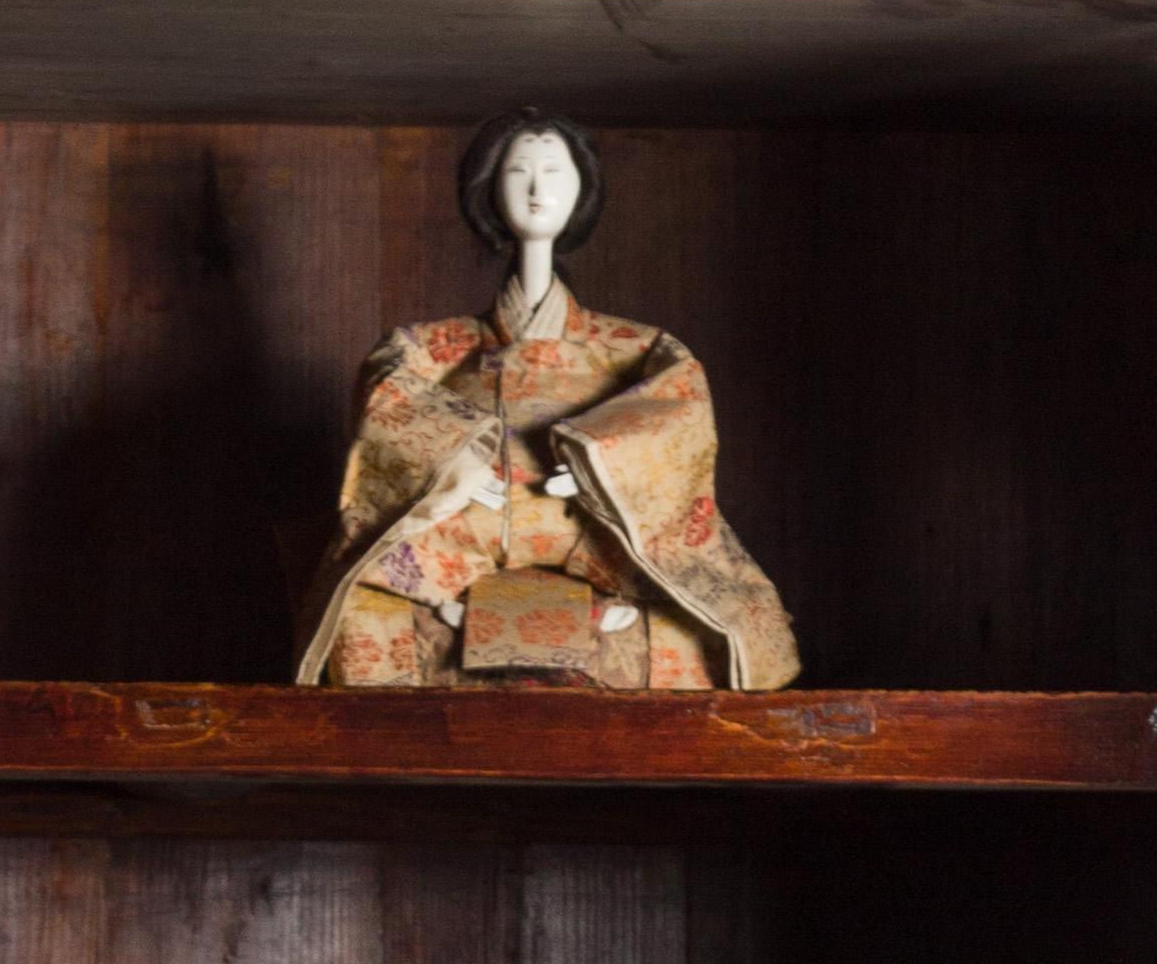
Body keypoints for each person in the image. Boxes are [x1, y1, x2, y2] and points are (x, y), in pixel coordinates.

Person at [298, 113, 800, 699]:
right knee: (359, 611)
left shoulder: (640, 349)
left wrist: (601, 465)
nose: (538, 190)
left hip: (597, 538)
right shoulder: (428, 348)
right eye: (518, 172)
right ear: (489, 189)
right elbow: (390, 395)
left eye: (555, 172)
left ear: (582, 190)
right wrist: (455, 467)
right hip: (464, 541)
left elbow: (676, 410)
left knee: (708, 623)